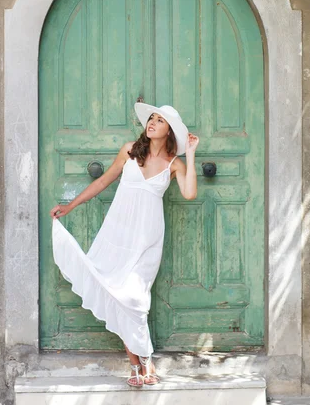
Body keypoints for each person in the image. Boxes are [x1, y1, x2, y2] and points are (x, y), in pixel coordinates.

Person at [49, 102, 199, 388]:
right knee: (117, 294)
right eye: (151, 118)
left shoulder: (174, 164)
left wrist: (190, 155)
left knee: (135, 298)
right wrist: (70, 206)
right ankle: (137, 362)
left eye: (160, 120)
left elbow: (190, 193)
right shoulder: (130, 151)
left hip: (147, 238)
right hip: (117, 235)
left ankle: (145, 358)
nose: (152, 123)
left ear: (169, 132)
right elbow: (104, 181)